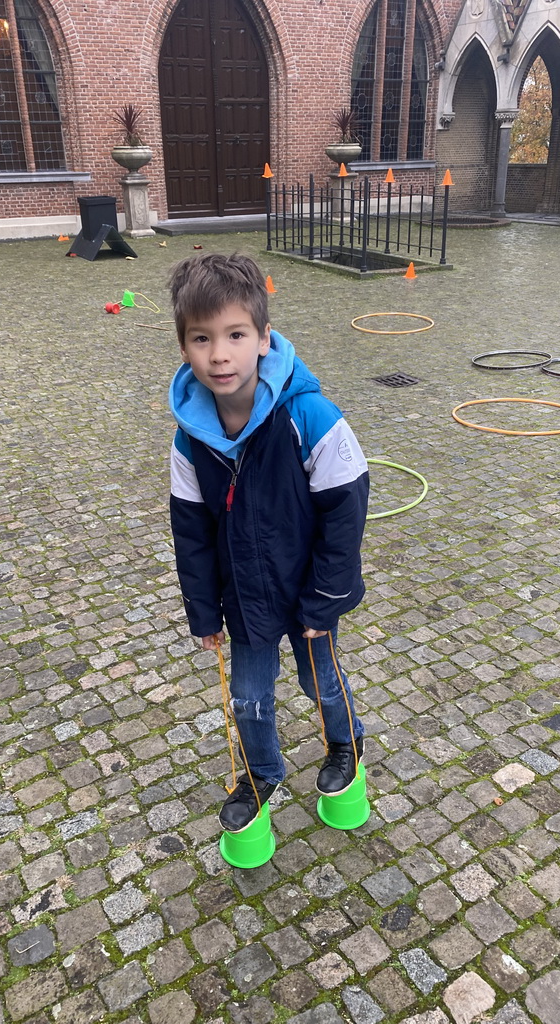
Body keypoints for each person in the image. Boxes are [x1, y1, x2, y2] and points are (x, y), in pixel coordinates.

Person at [168, 253, 368, 833]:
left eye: (235, 335)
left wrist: (326, 598)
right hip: (246, 599)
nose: (219, 354)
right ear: (184, 347)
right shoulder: (189, 440)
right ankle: (260, 773)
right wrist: (203, 611)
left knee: (319, 680)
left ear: (263, 339)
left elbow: (346, 511)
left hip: (309, 592)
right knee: (249, 695)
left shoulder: (310, 417)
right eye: (202, 339)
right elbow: (192, 534)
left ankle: (346, 744)